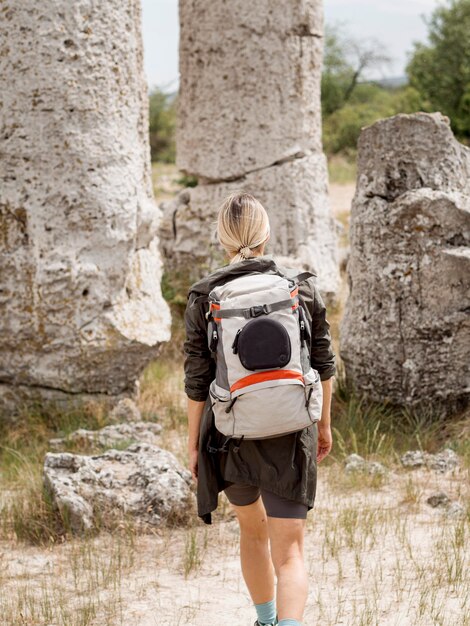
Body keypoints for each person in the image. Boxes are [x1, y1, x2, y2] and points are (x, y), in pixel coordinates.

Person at [183, 192, 336, 626]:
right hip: (291, 430)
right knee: (290, 551)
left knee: (252, 534)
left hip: (230, 435)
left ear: (221, 239)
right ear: (266, 235)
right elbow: (324, 363)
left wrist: (193, 445)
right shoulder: (301, 287)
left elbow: (197, 382)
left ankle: (265, 621)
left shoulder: (204, 296)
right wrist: (322, 425)